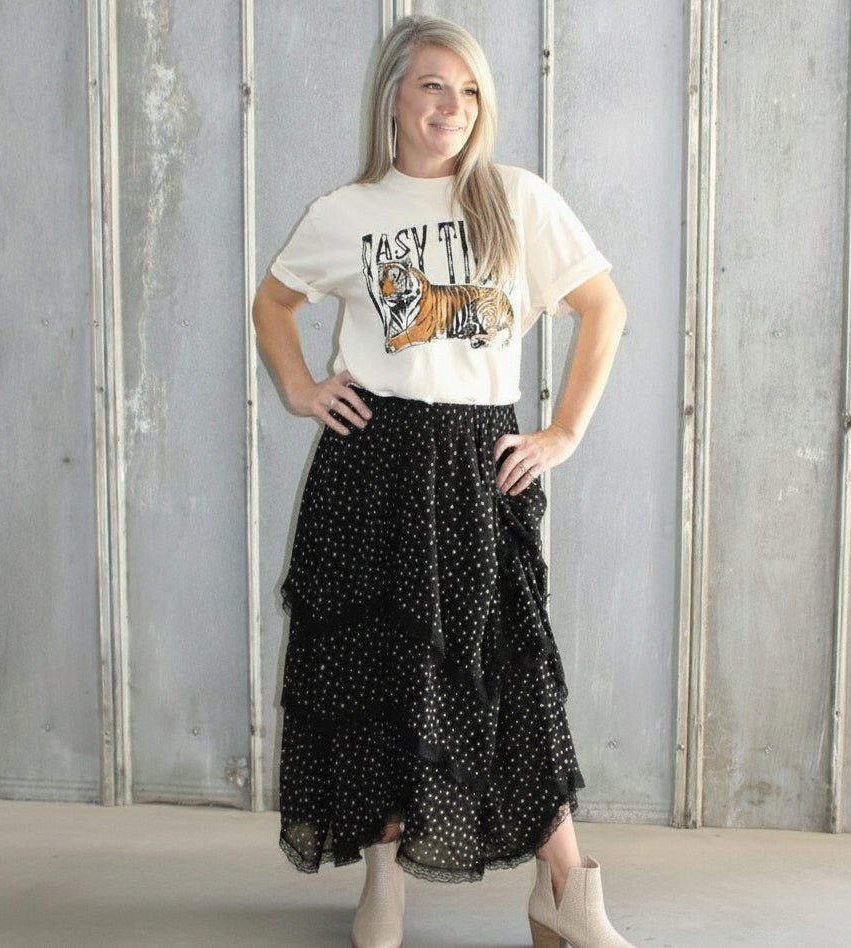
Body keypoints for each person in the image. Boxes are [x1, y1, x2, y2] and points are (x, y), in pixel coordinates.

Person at [252, 14, 632, 948]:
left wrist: (565, 432)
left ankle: (568, 890)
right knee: (379, 671)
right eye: (432, 86)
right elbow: (274, 300)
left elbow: (601, 306)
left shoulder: (516, 200)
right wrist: (302, 388)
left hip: (478, 467)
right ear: (393, 96)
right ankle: (382, 881)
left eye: (468, 92)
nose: (453, 109)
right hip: (373, 465)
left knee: (505, 676)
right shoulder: (347, 213)